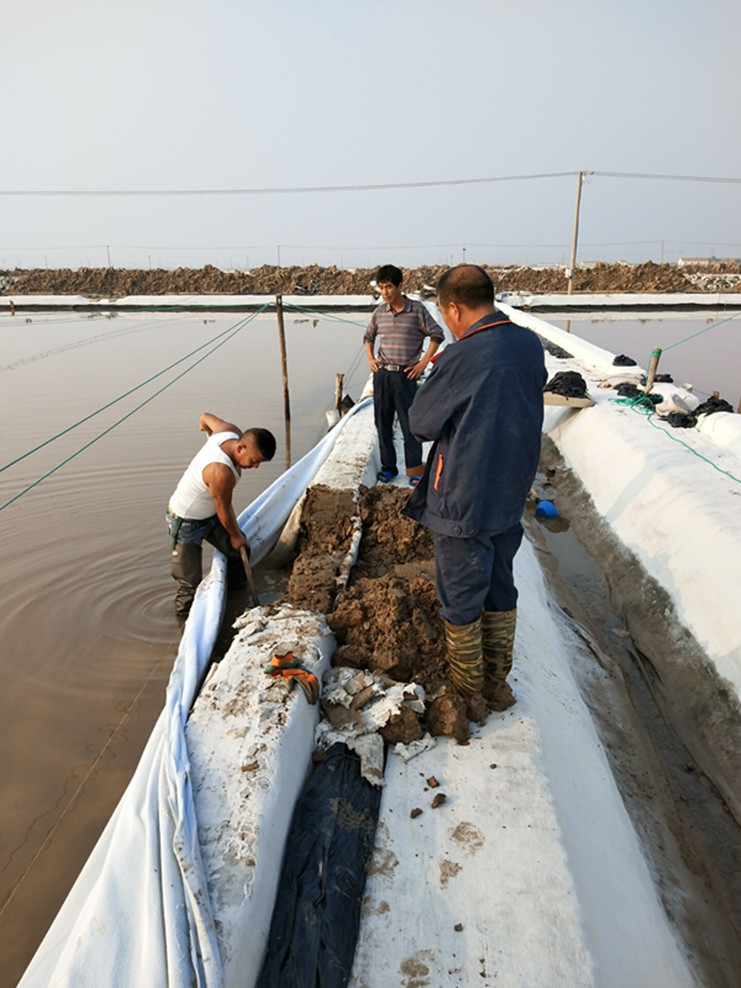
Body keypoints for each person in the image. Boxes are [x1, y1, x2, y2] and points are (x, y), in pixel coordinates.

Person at [402, 265, 546, 711]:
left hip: (463, 495)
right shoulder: (528, 344)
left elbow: (422, 423)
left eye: (446, 316)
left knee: (461, 594)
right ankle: (498, 681)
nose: (448, 324)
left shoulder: (462, 356)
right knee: (500, 583)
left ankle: (469, 693)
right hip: (510, 489)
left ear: (454, 308)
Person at [166, 412, 276, 623]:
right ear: (241, 448)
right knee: (189, 583)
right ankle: (183, 624)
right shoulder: (221, 471)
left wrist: (205, 427)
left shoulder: (229, 432)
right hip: (186, 520)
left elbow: (205, 417)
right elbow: (223, 508)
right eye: (254, 461)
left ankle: (235, 601)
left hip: (210, 514)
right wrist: (235, 535)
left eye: (259, 463)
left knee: (240, 554)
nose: (255, 467)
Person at [363, 264, 445, 485]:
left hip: (405, 376)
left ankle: (414, 470)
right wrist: (371, 359)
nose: (385, 292)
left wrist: (423, 363)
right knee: (383, 424)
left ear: (400, 286)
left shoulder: (416, 310)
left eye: (389, 287)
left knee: (411, 425)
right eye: (381, 288)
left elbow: (437, 334)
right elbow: (368, 337)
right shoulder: (380, 312)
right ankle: (388, 467)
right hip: (383, 375)